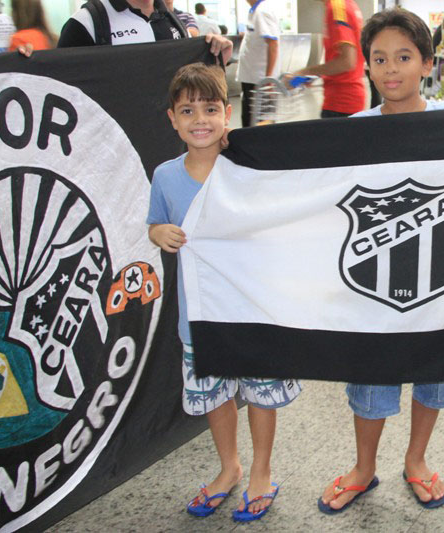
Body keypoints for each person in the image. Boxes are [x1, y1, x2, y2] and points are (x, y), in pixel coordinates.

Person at [318, 8, 444, 514]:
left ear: (427, 62)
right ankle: (363, 467)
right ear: (366, 67)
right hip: (372, 286)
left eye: (404, 57)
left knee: (436, 368)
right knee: (370, 374)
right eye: (379, 58)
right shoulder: (353, 131)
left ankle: (417, 460)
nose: (391, 69)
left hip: (440, 281)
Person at [148, 63, 302, 520]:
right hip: (199, 315)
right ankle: (229, 466)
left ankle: (261, 470)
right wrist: (159, 234)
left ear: (228, 114)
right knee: (215, 396)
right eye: (188, 110)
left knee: (259, 392)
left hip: (252, 309)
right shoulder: (165, 176)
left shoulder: (247, 169)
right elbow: (154, 221)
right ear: (172, 119)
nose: (200, 119)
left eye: (210, 108)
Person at [57, 0, 232, 61]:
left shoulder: (172, 20)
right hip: (112, 139)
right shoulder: (87, 21)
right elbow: (60, 82)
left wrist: (214, 55)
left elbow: (187, 80)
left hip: (168, 135)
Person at [289, 0, 365, 117]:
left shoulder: (337, 8)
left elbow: (347, 62)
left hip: (341, 103)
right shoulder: (346, 4)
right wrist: (315, 75)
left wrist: (306, 72)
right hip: (344, 101)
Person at [236, 0, 280, 127]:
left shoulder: (262, 11)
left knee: (260, 125)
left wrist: (268, 79)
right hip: (253, 79)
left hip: (259, 82)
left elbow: (273, 44)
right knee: (251, 122)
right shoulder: (256, 10)